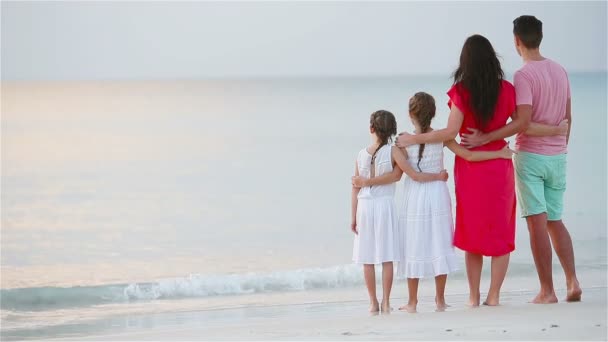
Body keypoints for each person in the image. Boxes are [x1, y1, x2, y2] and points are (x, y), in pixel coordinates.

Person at [353, 93, 513, 312]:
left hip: (415, 196)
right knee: (439, 241)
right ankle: (439, 300)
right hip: (437, 193)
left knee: (413, 244)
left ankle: (412, 302)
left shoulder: (402, 140)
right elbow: (469, 156)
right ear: (434, 113)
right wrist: (499, 154)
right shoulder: (442, 137)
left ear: (411, 115)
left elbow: (398, 173)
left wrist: (365, 182)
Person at [460, 15, 581, 303]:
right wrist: (560, 145)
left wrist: (486, 139)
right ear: (539, 37)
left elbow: (522, 122)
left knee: (537, 223)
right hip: (558, 157)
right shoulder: (561, 71)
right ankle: (572, 281)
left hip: (532, 156)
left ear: (516, 41)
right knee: (556, 220)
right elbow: (568, 118)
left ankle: (547, 291)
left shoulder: (524, 76)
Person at [395, 35, 517, 307]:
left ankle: (473, 298)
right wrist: (491, 139)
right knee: (501, 231)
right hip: (499, 166)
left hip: (472, 169)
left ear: (466, 62)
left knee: (473, 233)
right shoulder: (508, 90)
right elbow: (519, 123)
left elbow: (450, 132)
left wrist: (414, 138)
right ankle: (493, 296)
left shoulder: (461, 92)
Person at [351, 110, 447, 314]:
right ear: (393, 130)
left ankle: (373, 303)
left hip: (364, 207)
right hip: (384, 206)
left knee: (366, 258)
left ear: (371, 129)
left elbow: (355, 187)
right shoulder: (394, 151)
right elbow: (405, 175)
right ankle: (386, 302)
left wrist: (353, 216)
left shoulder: (360, 154)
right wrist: (438, 176)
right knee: (386, 257)